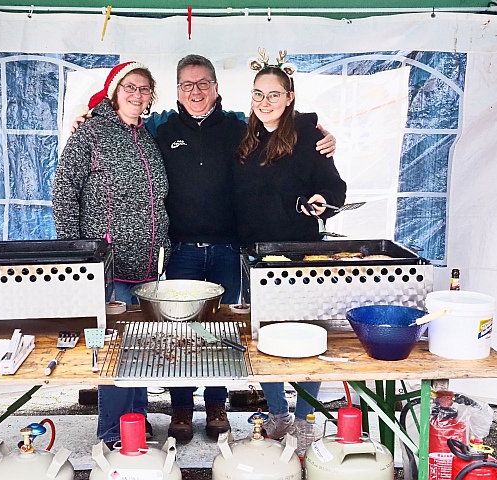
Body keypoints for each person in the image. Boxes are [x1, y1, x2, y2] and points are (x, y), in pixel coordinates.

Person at [72, 54, 337, 443]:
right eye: (186, 85)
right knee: (180, 334)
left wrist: (317, 130)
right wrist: (89, 117)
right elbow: (124, 120)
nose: (195, 92)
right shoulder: (160, 128)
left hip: (229, 249)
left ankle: (216, 405)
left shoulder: (239, 128)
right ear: (177, 90)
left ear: (216, 87)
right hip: (181, 251)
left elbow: (280, 125)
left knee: (222, 336)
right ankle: (181, 406)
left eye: (202, 83)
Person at [233, 50, 347, 457]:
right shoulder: (243, 137)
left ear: (290, 96)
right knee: (263, 333)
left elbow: (335, 190)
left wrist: (322, 201)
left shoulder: (310, 137)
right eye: (258, 94)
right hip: (255, 255)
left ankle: (305, 416)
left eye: (274, 94)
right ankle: (278, 413)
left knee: (308, 334)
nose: (265, 102)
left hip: (301, 252)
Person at [52, 61, 170, 447]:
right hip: (108, 264)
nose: (137, 94)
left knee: (140, 348)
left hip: (148, 262)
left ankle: (137, 420)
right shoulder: (91, 132)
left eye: (144, 89)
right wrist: (74, 252)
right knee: (116, 350)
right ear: (114, 91)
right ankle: (112, 432)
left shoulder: (147, 134)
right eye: (129, 87)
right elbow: (64, 189)